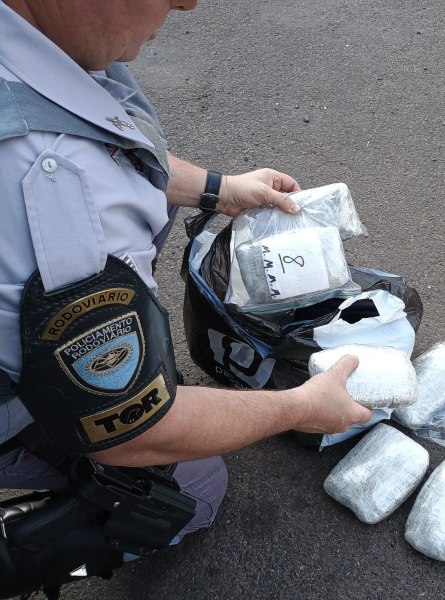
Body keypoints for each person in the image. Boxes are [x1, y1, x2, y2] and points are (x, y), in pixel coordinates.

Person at [0, 0, 373, 589]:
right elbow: (136, 429)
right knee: (192, 492)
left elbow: (95, 135)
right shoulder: (53, 186)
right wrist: (302, 406)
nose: (188, 3)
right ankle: (20, 549)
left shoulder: (35, 43)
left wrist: (217, 190)